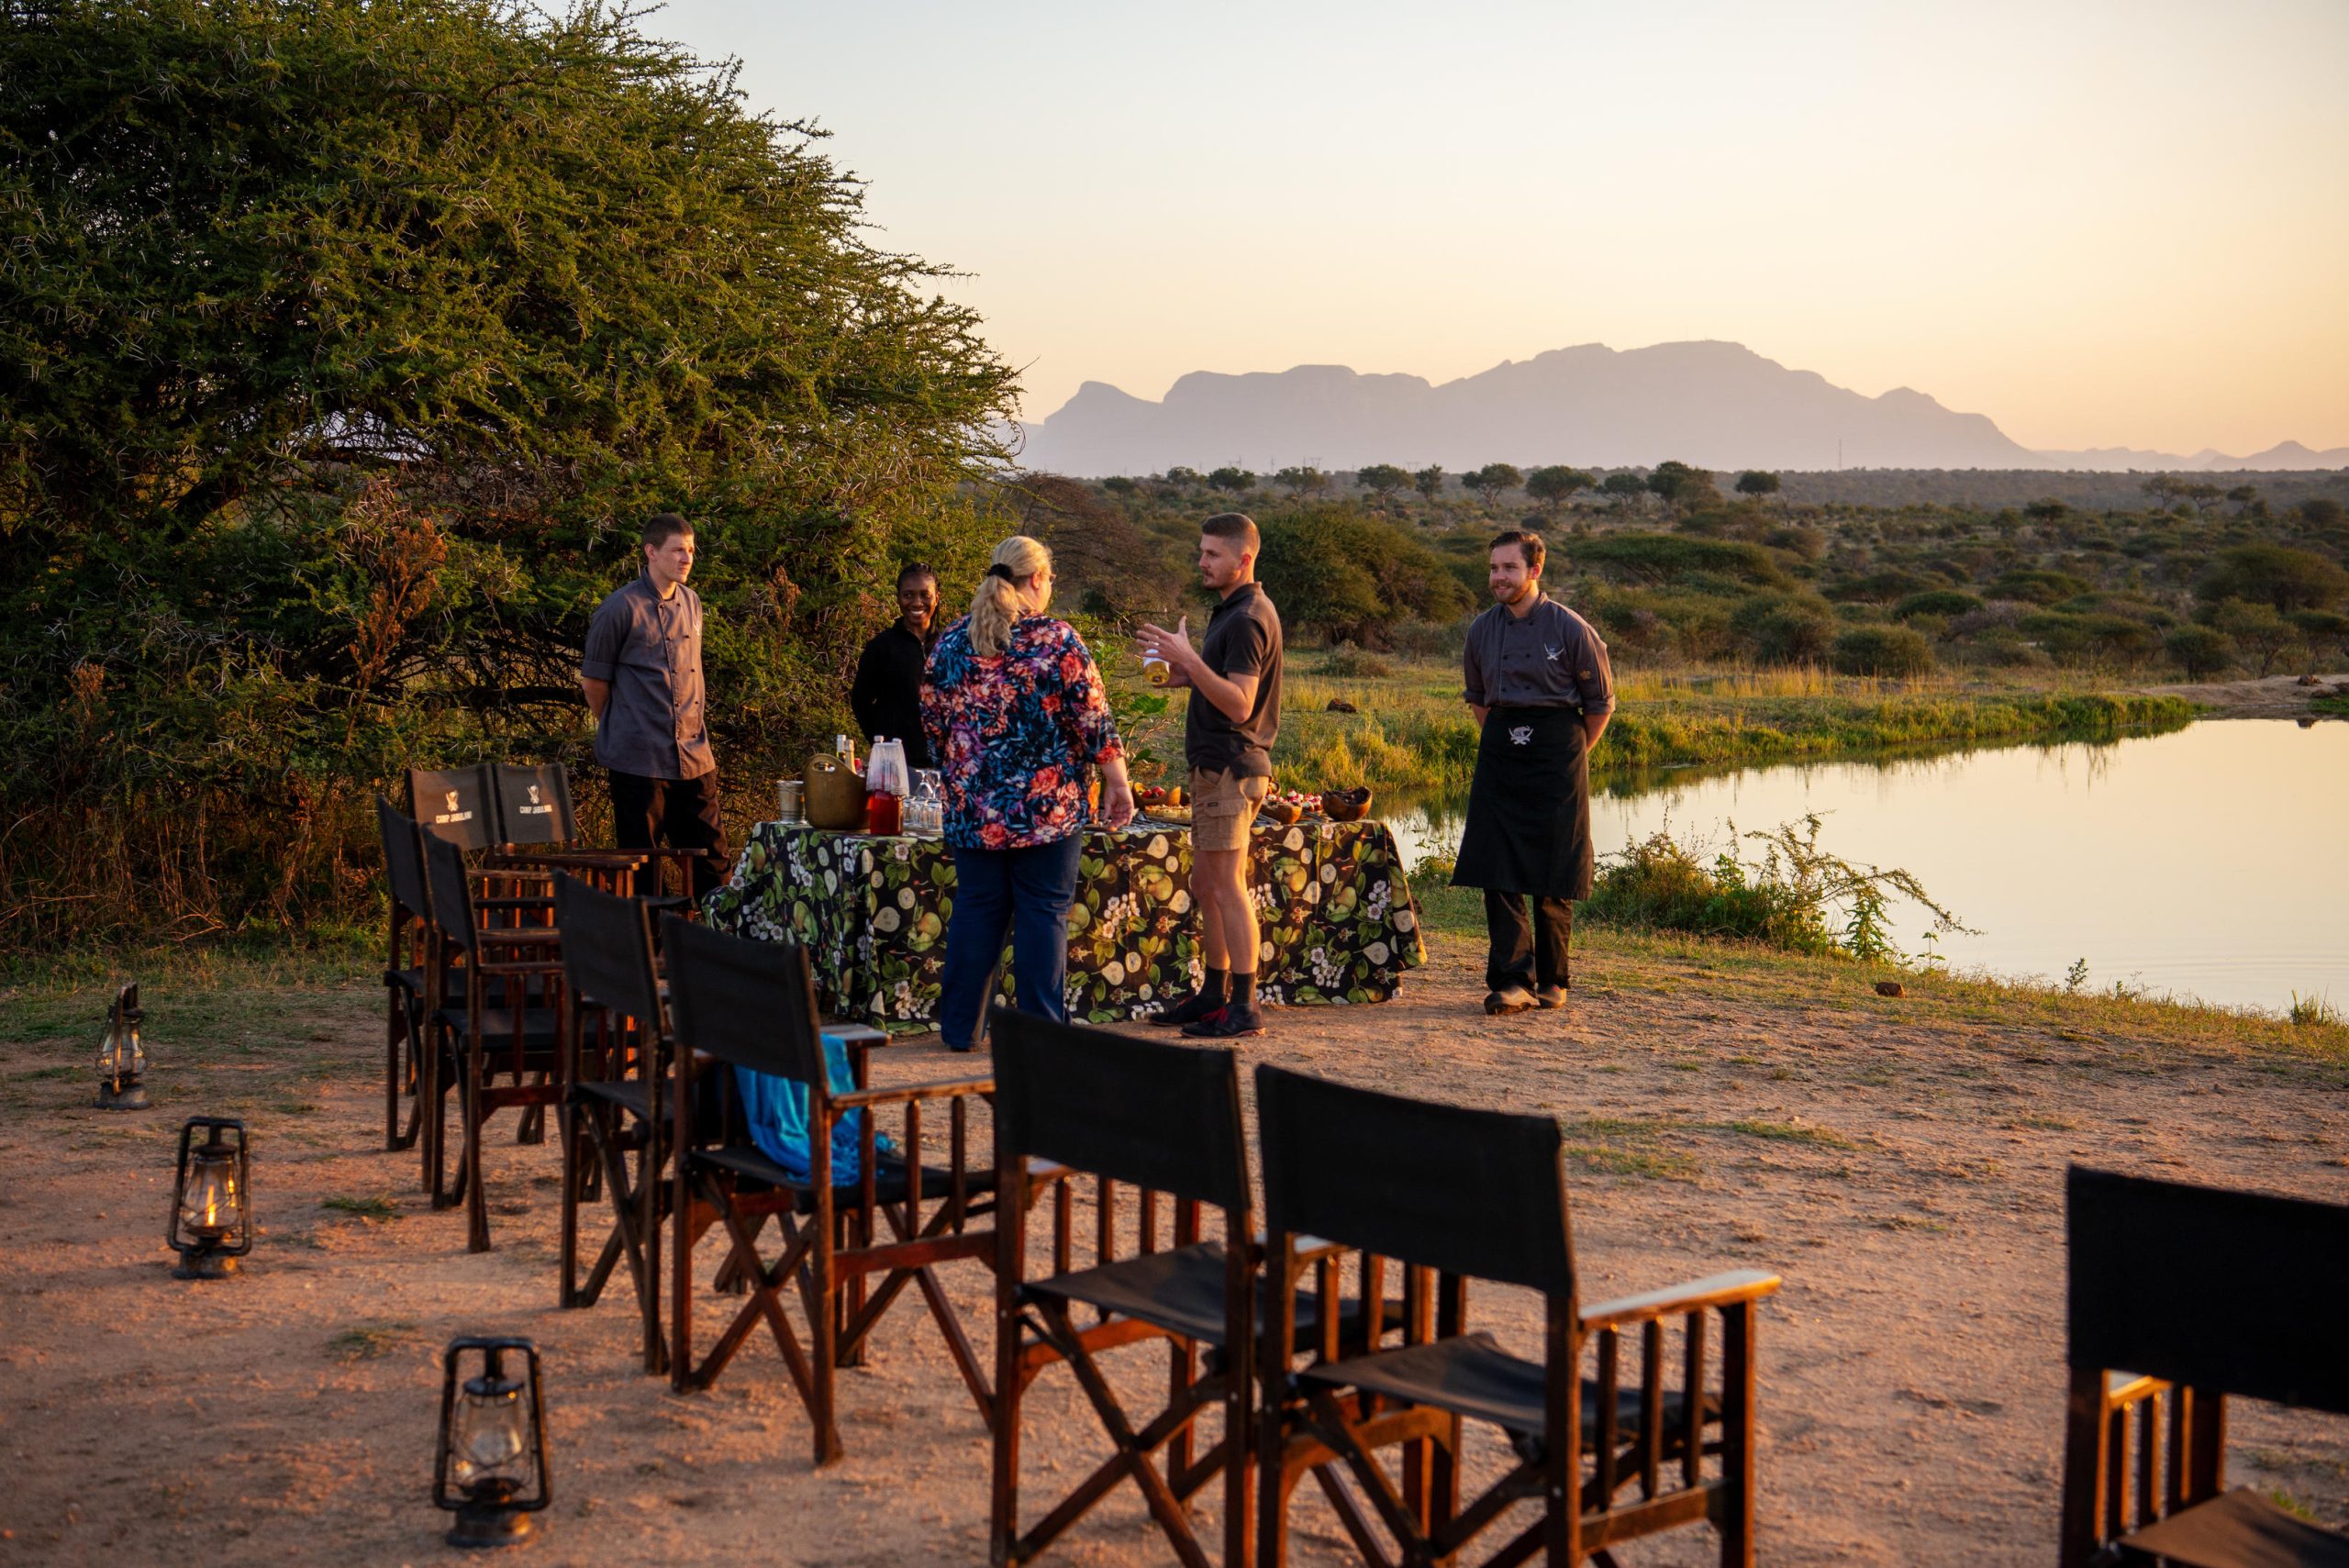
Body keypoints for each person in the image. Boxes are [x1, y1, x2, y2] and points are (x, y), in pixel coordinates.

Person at [921, 536, 1135, 1052]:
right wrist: (1118, 784)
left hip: (974, 811)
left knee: (976, 912)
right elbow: (1094, 722)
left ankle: (959, 1031)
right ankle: (1042, 1037)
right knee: (1043, 915)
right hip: (1048, 811)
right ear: (1036, 579)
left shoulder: (951, 642)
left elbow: (933, 729)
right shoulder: (1057, 641)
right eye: (1051, 577)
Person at [1451, 529, 1614, 1015]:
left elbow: (1600, 704)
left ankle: (1552, 980)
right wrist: (1506, 738)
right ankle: (1511, 979)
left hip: (1558, 752)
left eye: (1509, 568)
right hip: (1501, 747)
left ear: (1534, 571)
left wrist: (1568, 751)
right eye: (1494, 568)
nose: (1498, 578)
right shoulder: (1481, 629)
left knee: (1553, 867)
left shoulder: (1570, 628)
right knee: (1496, 866)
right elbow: (1479, 700)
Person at [1136, 512, 1284, 1040]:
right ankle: (1212, 995)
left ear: (1244, 559)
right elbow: (1224, 687)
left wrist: (1190, 660)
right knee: (1207, 882)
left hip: (1230, 767)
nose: (1202, 561)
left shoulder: (1246, 618)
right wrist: (1182, 674)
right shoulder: (1232, 611)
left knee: (1226, 885)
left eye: (1212, 554)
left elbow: (1241, 704)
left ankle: (1244, 1008)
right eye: (1201, 551)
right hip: (1214, 767)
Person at [579, 512, 729, 900]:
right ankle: (651, 953)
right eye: (678, 550)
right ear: (651, 552)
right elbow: (594, 682)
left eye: (691, 550)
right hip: (637, 761)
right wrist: (623, 724)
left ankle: (716, 951)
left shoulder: (693, 603)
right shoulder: (619, 608)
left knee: (713, 863)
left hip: (694, 756)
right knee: (642, 870)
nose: (687, 558)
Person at [849, 563, 941, 768]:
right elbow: (860, 701)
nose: (917, 602)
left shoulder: (949, 646)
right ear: (898, 598)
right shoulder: (882, 647)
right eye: (908, 595)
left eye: (925, 595)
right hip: (895, 767)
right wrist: (882, 744)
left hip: (943, 765)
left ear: (937, 597)